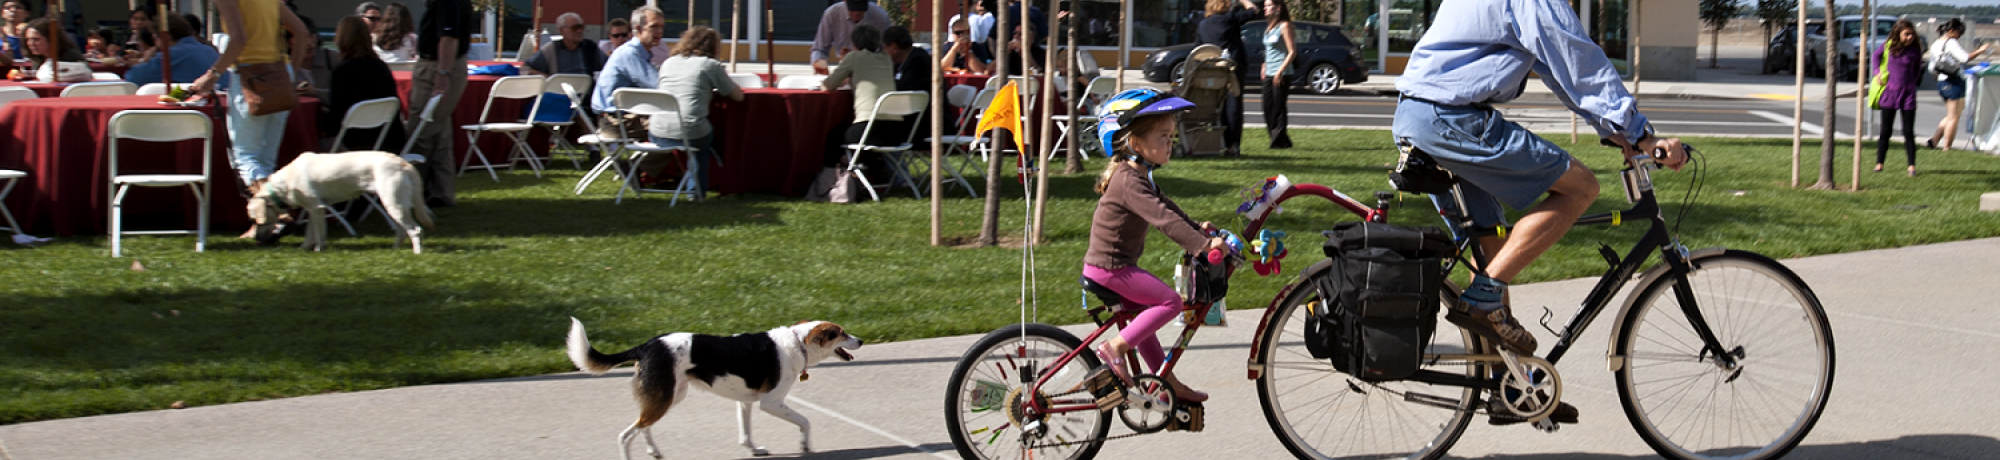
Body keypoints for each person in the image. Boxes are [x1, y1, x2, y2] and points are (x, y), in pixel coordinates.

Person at [1393, 0, 1686, 373]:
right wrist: (1640, 132)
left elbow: (1558, 71)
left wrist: (1618, 134)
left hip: (1417, 116)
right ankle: (1485, 301)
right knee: (1580, 188)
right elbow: (1578, 61)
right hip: (1451, 117)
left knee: (1491, 245)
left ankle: (1503, 380)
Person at [1082, 87, 1227, 403]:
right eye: (1163, 137)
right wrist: (1202, 246)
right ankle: (1114, 348)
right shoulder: (1129, 181)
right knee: (1169, 303)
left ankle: (1164, 384)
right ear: (1135, 143)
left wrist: (1197, 230)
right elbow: (1163, 220)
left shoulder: (1139, 177)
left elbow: (1170, 209)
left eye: (1172, 137)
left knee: (1143, 319)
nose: (1170, 144)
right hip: (1110, 270)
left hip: (1114, 267)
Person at [186, 0, 314, 194]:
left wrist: (212, 75)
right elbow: (302, 32)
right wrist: (291, 74)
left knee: (245, 158)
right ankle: (271, 216)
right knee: (266, 160)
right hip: (280, 73)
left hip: (251, 76)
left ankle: (271, 211)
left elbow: (238, 40)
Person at [651, 25, 743, 197]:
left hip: (657, 131)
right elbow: (737, 96)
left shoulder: (668, 62)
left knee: (700, 138)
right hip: (691, 132)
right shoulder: (710, 65)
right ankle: (698, 190)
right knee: (703, 141)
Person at [403, 0, 473, 206]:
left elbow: (449, 37)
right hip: (443, 65)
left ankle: (413, 192)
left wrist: (442, 75)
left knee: (421, 131)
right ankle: (441, 192)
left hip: (436, 67)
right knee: (440, 132)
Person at [820, 24, 900, 185]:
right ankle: (872, 167)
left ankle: (841, 175)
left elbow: (829, 85)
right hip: (895, 131)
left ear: (854, 44)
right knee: (865, 137)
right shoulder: (886, 58)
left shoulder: (854, 58)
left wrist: (844, 62)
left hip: (868, 128)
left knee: (833, 136)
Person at [320, 14, 405, 151]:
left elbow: (336, 115)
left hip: (355, 144)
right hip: (389, 140)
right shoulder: (381, 67)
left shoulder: (343, 71)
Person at [1196, 0, 1259, 156]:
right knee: (1233, 105)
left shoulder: (1203, 25)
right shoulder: (1231, 18)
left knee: (1216, 104)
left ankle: (1217, 141)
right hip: (1232, 68)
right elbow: (1254, 10)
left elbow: (1197, 50)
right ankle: (1233, 144)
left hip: (1211, 70)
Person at [593, 6, 665, 137]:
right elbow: (659, 86)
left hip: (626, 117)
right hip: (615, 122)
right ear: (638, 28)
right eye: (654, 27)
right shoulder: (630, 53)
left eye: (661, 27)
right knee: (676, 126)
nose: (659, 32)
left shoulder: (640, 53)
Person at [1871, 19, 1923, 177]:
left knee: (1908, 131)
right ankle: (1879, 164)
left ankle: (1911, 166)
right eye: (1906, 34)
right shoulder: (1888, 46)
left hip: (1908, 94)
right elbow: (1875, 56)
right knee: (1885, 131)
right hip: (1890, 93)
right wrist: (1877, 73)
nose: (1910, 37)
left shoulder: (1915, 51)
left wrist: (1911, 84)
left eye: (1911, 34)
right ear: (1898, 34)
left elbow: (1917, 70)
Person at [1927, 18, 1988, 153]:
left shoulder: (1936, 44)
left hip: (1942, 81)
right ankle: (1947, 148)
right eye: (1959, 33)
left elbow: (1932, 68)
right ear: (1952, 31)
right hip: (1953, 81)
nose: (1960, 36)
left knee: (1951, 115)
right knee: (1954, 117)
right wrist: (1980, 50)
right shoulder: (1951, 43)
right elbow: (1965, 58)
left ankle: (1934, 140)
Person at [124, 14, 219, 86]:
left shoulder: (171, 54)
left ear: (166, 37)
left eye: (155, 39)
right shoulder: (208, 50)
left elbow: (133, 77)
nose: (155, 44)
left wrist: (145, 60)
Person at [809, 0, 890, 74]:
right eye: (852, 8)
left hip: (871, 68)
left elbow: (886, 51)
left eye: (860, 8)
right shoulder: (832, 14)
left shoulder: (880, 17)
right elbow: (819, 48)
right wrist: (819, 62)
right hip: (844, 66)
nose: (856, 13)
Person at [522, 12, 604, 76]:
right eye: (575, 28)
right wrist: (548, 79)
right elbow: (525, 69)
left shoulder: (590, 47)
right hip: (557, 93)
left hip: (587, 94)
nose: (579, 31)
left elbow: (608, 65)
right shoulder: (551, 49)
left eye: (581, 27)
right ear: (561, 30)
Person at [1259, 0, 1294, 149]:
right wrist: (1264, 65)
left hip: (1282, 72)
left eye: (1268, 6)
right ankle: (1283, 140)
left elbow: (1292, 51)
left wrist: (1280, 72)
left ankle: (1278, 141)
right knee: (1267, 106)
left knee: (1278, 107)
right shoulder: (1269, 28)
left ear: (1278, 8)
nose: (1265, 8)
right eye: (1265, 6)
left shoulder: (1284, 26)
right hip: (1269, 72)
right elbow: (1269, 50)